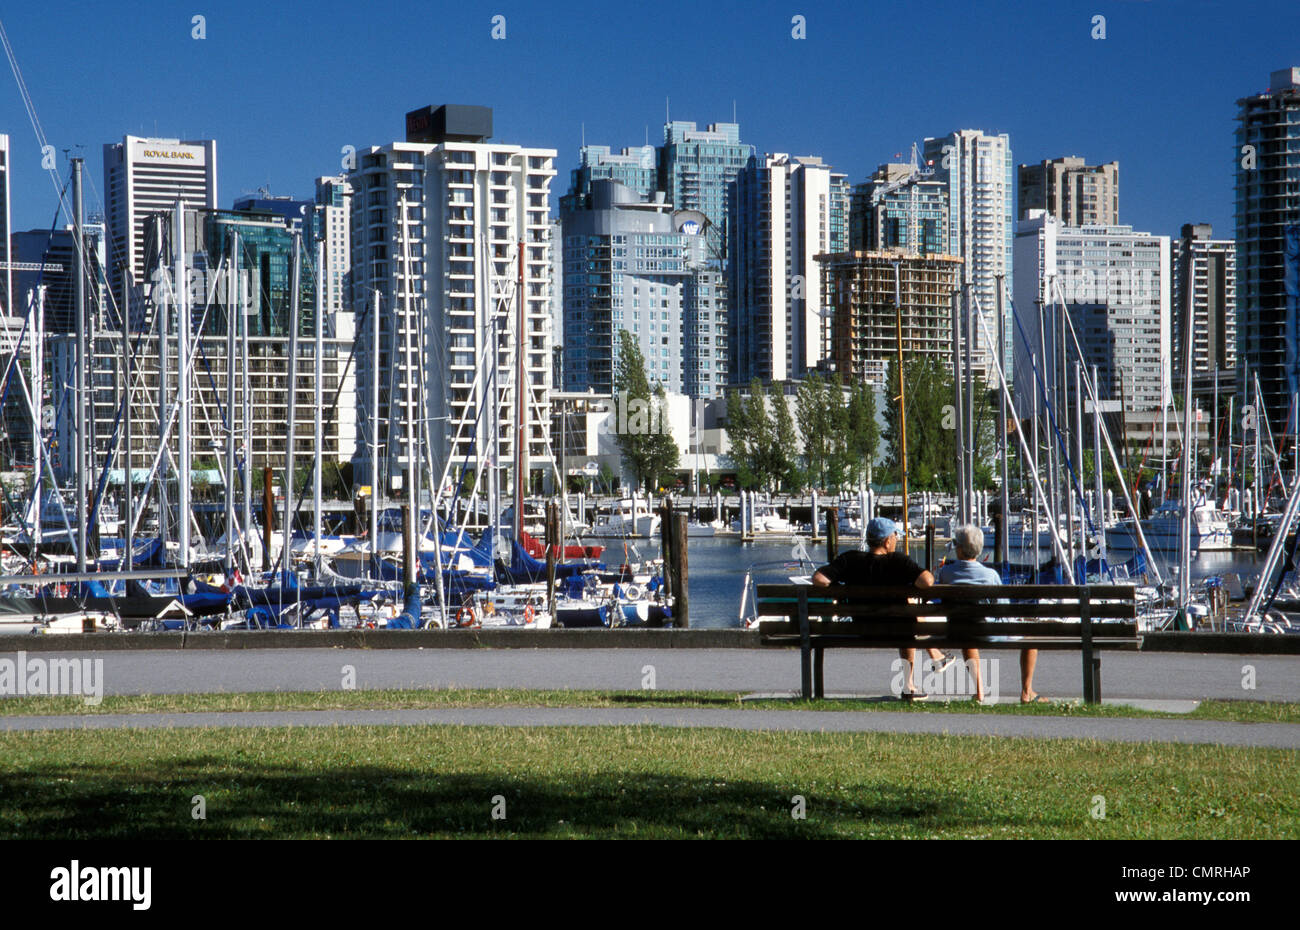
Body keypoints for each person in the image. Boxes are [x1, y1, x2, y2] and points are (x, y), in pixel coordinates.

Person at [812, 517, 956, 699]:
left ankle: (934, 658)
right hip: (899, 630)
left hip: (861, 627)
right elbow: (927, 581)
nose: (897, 539)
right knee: (909, 617)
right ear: (888, 541)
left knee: (908, 613)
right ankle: (910, 684)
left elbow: (819, 579)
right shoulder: (898, 561)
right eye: (896, 536)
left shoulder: (849, 559)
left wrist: (840, 590)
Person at [937, 523, 1046, 704]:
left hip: (957, 630)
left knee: (968, 631)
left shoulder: (946, 572)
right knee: (1030, 635)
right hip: (986, 633)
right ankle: (1027, 692)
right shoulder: (990, 575)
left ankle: (979, 692)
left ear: (959, 549)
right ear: (978, 549)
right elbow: (1003, 609)